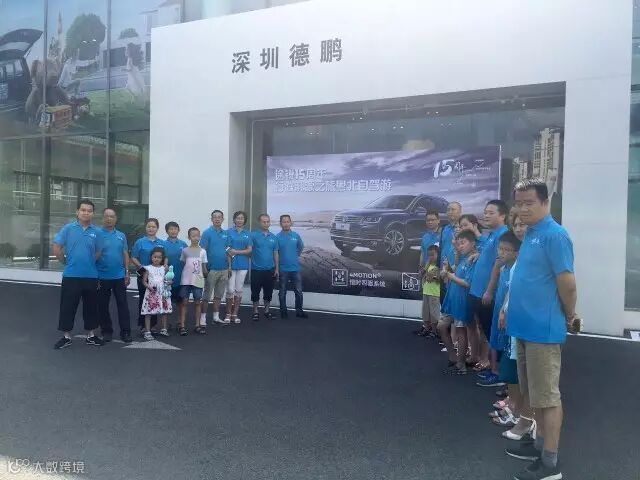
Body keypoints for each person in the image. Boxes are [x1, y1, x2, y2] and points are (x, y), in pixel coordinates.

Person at [504, 179, 576, 480]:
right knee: (534, 395)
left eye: (529, 203)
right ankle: (539, 445)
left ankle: (550, 464)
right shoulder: (532, 232)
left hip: (542, 332)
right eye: (518, 203)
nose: (522, 209)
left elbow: (567, 283)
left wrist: (570, 315)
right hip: (523, 329)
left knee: (547, 398)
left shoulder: (555, 235)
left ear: (545, 202)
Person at [52, 199, 106, 349]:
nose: (86, 213)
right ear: (77, 212)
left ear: (93, 214)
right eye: (83, 210)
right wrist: (65, 261)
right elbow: (57, 247)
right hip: (71, 276)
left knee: (91, 307)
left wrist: (89, 263)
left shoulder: (97, 232)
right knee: (68, 307)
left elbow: (98, 252)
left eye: (89, 211)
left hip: (91, 276)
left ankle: (91, 335)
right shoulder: (68, 228)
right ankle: (66, 336)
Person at [468, 200, 509, 376]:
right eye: (485, 212)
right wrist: (478, 254)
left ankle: (497, 371)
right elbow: (491, 256)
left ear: (503, 215)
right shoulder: (493, 234)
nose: (486, 215)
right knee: (487, 330)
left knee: (494, 333)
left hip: (487, 294)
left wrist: (489, 291)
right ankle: (492, 368)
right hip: (478, 292)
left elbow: (499, 265)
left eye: (491, 212)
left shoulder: (503, 235)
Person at [477, 231, 520, 389]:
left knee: (507, 346)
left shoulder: (517, 270)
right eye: (500, 248)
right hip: (498, 311)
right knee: (495, 339)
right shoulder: (503, 268)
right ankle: (495, 371)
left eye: (506, 250)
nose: (501, 252)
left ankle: (505, 379)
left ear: (517, 253)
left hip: (508, 315)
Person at [441, 230, 477, 375]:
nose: (460, 246)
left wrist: (449, 275)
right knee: (441, 327)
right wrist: (448, 270)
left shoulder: (473, 260)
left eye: (463, 243)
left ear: (473, 243)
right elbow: (456, 274)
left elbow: (467, 283)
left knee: (461, 331)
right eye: (459, 243)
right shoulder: (463, 258)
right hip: (453, 299)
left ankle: (461, 364)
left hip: (462, 301)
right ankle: (453, 357)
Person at [96, 208, 132, 343]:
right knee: (102, 306)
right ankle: (106, 331)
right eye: (106, 216)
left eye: (112, 216)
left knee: (123, 305)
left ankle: (125, 332)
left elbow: (125, 253)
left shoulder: (121, 235)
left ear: (116, 219)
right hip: (101, 276)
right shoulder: (97, 234)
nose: (109, 219)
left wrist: (127, 272)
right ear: (103, 218)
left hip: (119, 276)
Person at [131, 218, 166, 335]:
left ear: (157, 228)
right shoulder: (140, 242)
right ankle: (143, 325)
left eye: (153, 227)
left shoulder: (161, 243)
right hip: (144, 275)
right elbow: (133, 257)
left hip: (157, 277)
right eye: (149, 226)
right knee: (144, 300)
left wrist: (164, 268)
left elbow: (165, 257)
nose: (151, 229)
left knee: (155, 299)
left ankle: (153, 325)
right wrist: (141, 267)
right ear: (145, 228)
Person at [200, 210, 230, 325]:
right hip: (211, 269)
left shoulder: (226, 233)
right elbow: (202, 252)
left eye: (219, 217)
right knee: (207, 295)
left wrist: (229, 267)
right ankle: (202, 318)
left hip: (224, 269)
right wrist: (204, 268)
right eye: (215, 217)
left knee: (219, 295)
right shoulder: (207, 233)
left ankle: (216, 317)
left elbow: (229, 251)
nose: (217, 219)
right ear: (212, 219)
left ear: (222, 219)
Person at [178, 228, 208, 335]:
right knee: (184, 302)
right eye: (193, 236)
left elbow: (204, 267)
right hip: (186, 279)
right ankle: (182, 326)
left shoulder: (203, 251)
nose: (196, 238)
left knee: (198, 302)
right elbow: (183, 264)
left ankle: (197, 325)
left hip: (198, 279)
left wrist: (205, 276)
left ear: (200, 237)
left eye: (197, 236)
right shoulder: (185, 250)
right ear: (189, 237)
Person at [276, 215, 307, 319]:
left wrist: (295, 255)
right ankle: (283, 311)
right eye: (284, 222)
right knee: (282, 292)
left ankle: (299, 311)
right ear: (280, 224)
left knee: (298, 291)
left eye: (287, 221)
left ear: (291, 223)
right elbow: (276, 253)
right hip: (283, 269)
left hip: (295, 269)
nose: (286, 224)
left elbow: (300, 247)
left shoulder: (296, 235)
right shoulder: (277, 237)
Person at [250, 214, 279, 321]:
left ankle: (266, 311)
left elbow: (275, 253)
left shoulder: (274, 237)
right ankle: (255, 311)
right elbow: (248, 249)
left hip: (270, 270)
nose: (266, 223)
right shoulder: (253, 235)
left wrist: (277, 269)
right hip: (256, 270)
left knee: (268, 292)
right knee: (255, 292)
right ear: (259, 222)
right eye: (264, 222)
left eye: (268, 221)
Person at [226, 211, 252, 324]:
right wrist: (229, 265)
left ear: (244, 220)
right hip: (231, 265)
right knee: (230, 290)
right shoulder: (228, 232)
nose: (240, 220)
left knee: (239, 290)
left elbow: (249, 250)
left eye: (242, 218)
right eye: (238, 218)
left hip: (243, 265)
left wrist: (236, 251)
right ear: (234, 219)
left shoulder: (248, 234)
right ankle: (228, 313)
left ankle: (235, 314)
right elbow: (226, 248)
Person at [140, 247, 172, 340]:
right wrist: (149, 286)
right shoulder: (147, 268)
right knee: (148, 312)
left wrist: (169, 282)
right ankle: (147, 331)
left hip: (162, 292)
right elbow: (144, 281)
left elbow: (167, 279)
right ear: (151, 257)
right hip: (151, 292)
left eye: (159, 257)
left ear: (162, 259)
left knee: (164, 311)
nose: (156, 259)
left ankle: (164, 329)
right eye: (154, 257)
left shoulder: (164, 268)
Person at [163, 221, 188, 315]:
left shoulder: (183, 244)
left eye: (175, 229)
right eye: (171, 229)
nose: (173, 231)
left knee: (181, 303)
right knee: (166, 302)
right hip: (167, 279)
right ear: (167, 231)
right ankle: (165, 323)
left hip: (181, 278)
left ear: (178, 230)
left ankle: (180, 321)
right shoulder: (163, 244)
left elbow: (188, 259)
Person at [418, 245, 441, 338]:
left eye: (433, 255)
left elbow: (440, 279)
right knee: (425, 313)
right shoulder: (428, 265)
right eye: (429, 255)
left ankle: (435, 332)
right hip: (426, 292)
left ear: (438, 254)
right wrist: (424, 271)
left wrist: (433, 277)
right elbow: (421, 276)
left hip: (434, 293)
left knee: (434, 315)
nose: (431, 257)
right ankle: (427, 329)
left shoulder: (439, 266)